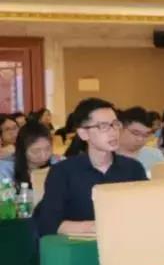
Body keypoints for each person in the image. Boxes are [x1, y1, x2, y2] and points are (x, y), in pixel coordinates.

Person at [33, 98, 146, 237]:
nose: (113, 132)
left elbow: (145, 213)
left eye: (115, 124)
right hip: (78, 245)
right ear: (83, 133)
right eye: (103, 126)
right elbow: (48, 223)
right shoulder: (62, 172)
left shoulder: (133, 168)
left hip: (125, 242)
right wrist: (96, 227)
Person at [0, 121, 58, 186]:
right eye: (35, 151)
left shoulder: (56, 162)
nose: (43, 156)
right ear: (22, 150)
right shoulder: (5, 168)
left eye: (48, 149)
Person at [116, 107, 164, 176]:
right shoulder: (107, 157)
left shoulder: (156, 155)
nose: (140, 139)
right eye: (136, 133)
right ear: (120, 128)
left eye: (146, 135)